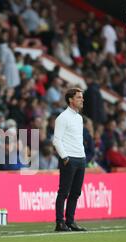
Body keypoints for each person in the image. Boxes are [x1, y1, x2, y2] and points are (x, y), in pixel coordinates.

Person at [52, 88, 87, 232]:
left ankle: (70, 221)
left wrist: (82, 155)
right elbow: (56, 140)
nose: (82, 99)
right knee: (64, 192)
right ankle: (60, 223)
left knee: (75, 193)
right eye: (79, 97)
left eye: (81, 97)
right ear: (70, 100)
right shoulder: (63, 117)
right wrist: (65, 157)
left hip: (80, 158)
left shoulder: (79, 118)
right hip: (69, 159)